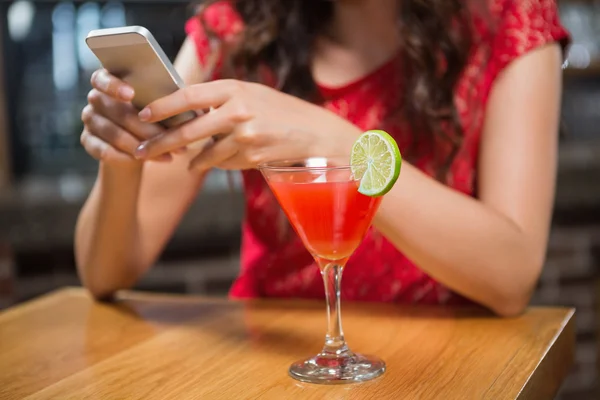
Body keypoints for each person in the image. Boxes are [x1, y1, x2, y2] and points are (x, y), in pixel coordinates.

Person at [75, 0, 570, 317]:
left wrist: (338, 144)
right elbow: (104, 275)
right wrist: (124, 156)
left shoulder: (507, 19)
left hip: (442, 361)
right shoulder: (237, 27)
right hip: (269, 359)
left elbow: (513, 275)